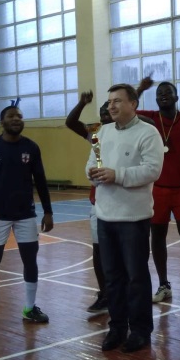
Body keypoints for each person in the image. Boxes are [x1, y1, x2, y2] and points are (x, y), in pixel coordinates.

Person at [86, 83, 163, 353]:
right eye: (109, 102)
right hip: (105, 217)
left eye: (117, 101)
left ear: (133, 104)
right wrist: (93, 174)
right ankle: (117, 328)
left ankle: (140, 331)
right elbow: (91, 164)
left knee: (136, 277)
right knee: (112, 278)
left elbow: (152, 170)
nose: (112, 106)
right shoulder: (102, 132)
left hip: (133, 219)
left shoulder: (148, 133)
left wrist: (116, 175)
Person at [0, 102, 54, 330]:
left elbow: (40, 181)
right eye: (11, 116)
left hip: (25, 215)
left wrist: (48, 211)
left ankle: (29, 308)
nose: (16, 119)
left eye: (19, 115)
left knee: (30, 261)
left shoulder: (31, 147)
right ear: (2, 122)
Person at [136, 78, 180, 304]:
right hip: (157, 189)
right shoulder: (151, 119)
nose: (163, 95)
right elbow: (129, 109)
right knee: (157, 237)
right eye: (159, 93)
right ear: (155, 99)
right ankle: (164, 284)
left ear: (176, 97)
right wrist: (140, 89)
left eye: (168, 92)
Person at [66, 92, 111, 314]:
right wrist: (82, 103)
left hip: (126, 202)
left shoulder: (133, 132)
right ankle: (105, 294)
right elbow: (70, 122)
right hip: (99, 202)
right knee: (99, 250)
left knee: (125, 253)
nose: (105, 114)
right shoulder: (96, 134)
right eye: (102, 112)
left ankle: (126, 294)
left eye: (109, 110)